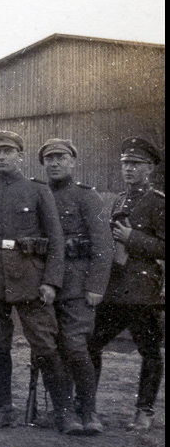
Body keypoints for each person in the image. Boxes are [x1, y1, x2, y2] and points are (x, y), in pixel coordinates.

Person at [0, 131, 83, 434]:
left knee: (45, 345)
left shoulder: (37, 191)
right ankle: (3, 408)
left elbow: (56, 241)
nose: (1, 156)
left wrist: (51, 282)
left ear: (20, 155)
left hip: (31, 280)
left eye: (8, 151)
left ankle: (64, 411)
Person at [88, 137, 164, 432]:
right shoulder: (119, 199)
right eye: (125, 164)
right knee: (91, 344)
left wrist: (132, 238)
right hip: (115, 288)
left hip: (142, 292)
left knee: (149, 351)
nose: (129, 169)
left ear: (150, 168)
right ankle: (88, 404)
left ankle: (144, 412)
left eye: (136, 164)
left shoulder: (158, 203)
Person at [37, 138, 112, 435]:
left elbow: (103, 246)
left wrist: (96, 286)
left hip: (78, 285)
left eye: (60, 157)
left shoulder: (87, 197)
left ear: (72, 162)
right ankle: (61, 409)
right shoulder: (39, 195)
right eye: (49, 158)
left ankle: (88, 410)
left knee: (76, 347)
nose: (54, 163)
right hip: (45, 285)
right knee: (48, 349)